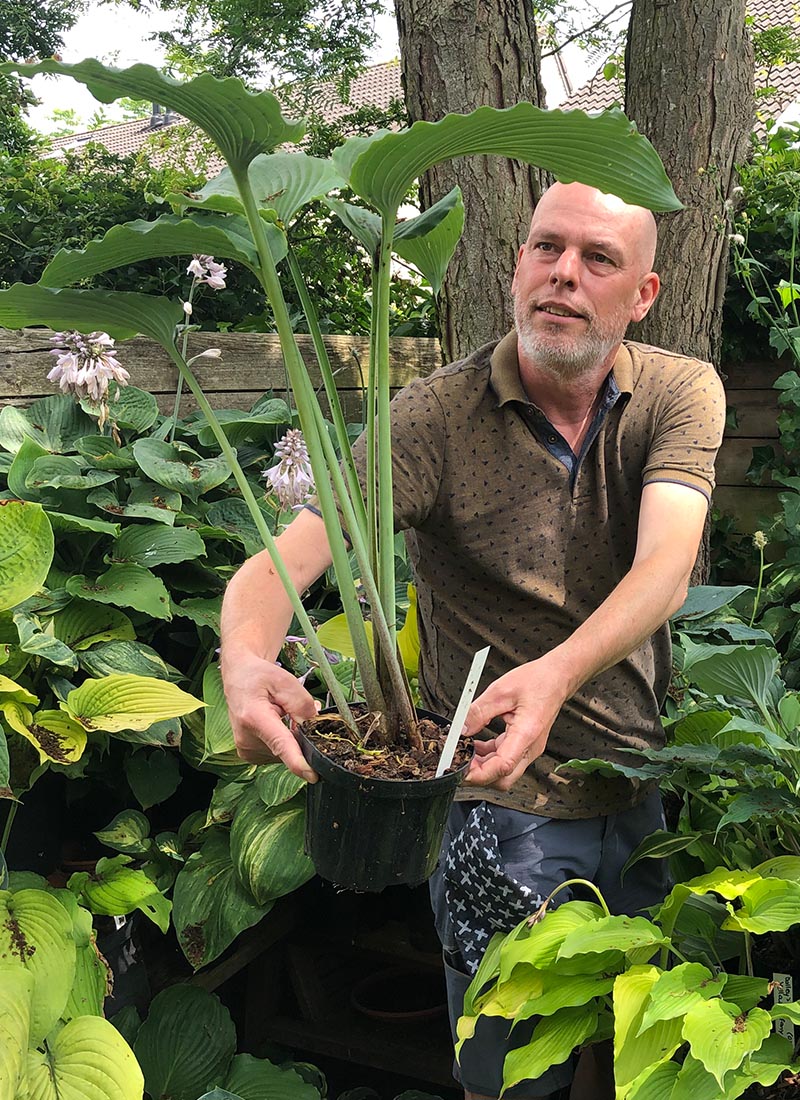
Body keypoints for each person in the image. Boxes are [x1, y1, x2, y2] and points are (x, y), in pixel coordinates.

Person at [220, 181, 727, 1100]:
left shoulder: (679, 393)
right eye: (546, 248)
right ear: (515, 266)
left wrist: (559, 673)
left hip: (641, 784)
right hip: (499, 805)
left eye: (599, 259)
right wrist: (246, 662)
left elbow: (665, 569)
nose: (563, 275)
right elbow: (273, 571)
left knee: (643, 1060)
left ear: (643, 294)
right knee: (509, 1074)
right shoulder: (432, 419)